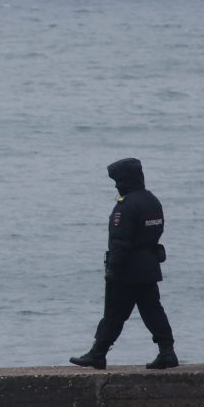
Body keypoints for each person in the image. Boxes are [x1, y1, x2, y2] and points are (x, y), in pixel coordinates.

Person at [69, 158, 178, 370]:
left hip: (127, 270)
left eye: (117, 180)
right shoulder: (152, 201)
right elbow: (156, 231)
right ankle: (167, 351)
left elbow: (120, 241)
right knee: (152, 310)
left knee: (114, 313)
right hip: (148, 266)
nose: (116, 185)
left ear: (125, 179)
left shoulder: (126, 206)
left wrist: (113, 269)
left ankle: (98, 353)